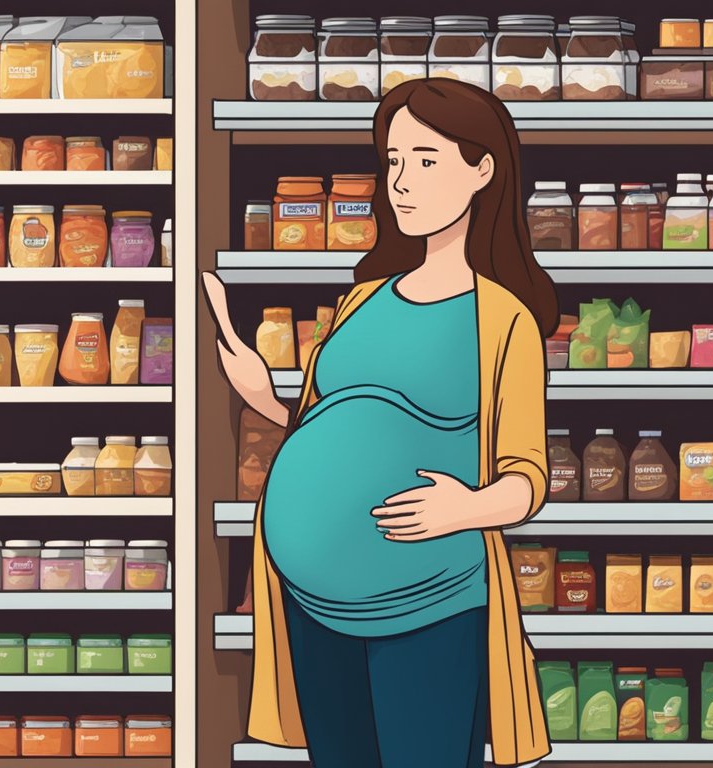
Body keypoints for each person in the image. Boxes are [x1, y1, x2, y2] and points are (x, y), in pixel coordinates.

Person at [202, 78, 558, 768]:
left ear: (482, 170)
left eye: (425, 160)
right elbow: (332, 423)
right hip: (314, 607)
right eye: (393, 161)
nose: (402, 181)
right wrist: (262, 394)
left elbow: (528, 477)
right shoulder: (362, 297)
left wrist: (468, 507)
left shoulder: (503, 319)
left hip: (429, 607)